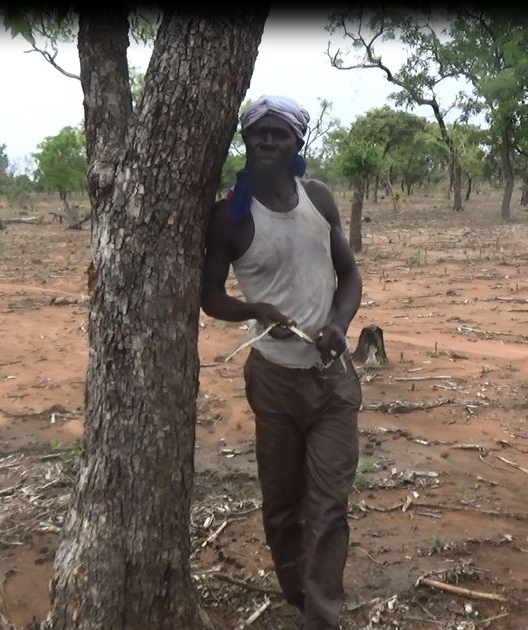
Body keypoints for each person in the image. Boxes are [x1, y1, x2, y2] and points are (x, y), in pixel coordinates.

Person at [201, 95, 363, 630]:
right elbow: (211, 297)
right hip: (272, 378)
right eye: (259, 134)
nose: (268, 141)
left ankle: (319, 617)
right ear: (246, 141)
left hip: (332, 379)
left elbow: (350, 276)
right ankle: (298, 593)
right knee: (282, 506)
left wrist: (339, 325)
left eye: (280, 134)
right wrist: (253, 308)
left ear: (298, 142)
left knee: (329, 504)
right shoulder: (230, 215)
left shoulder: (317, 198)